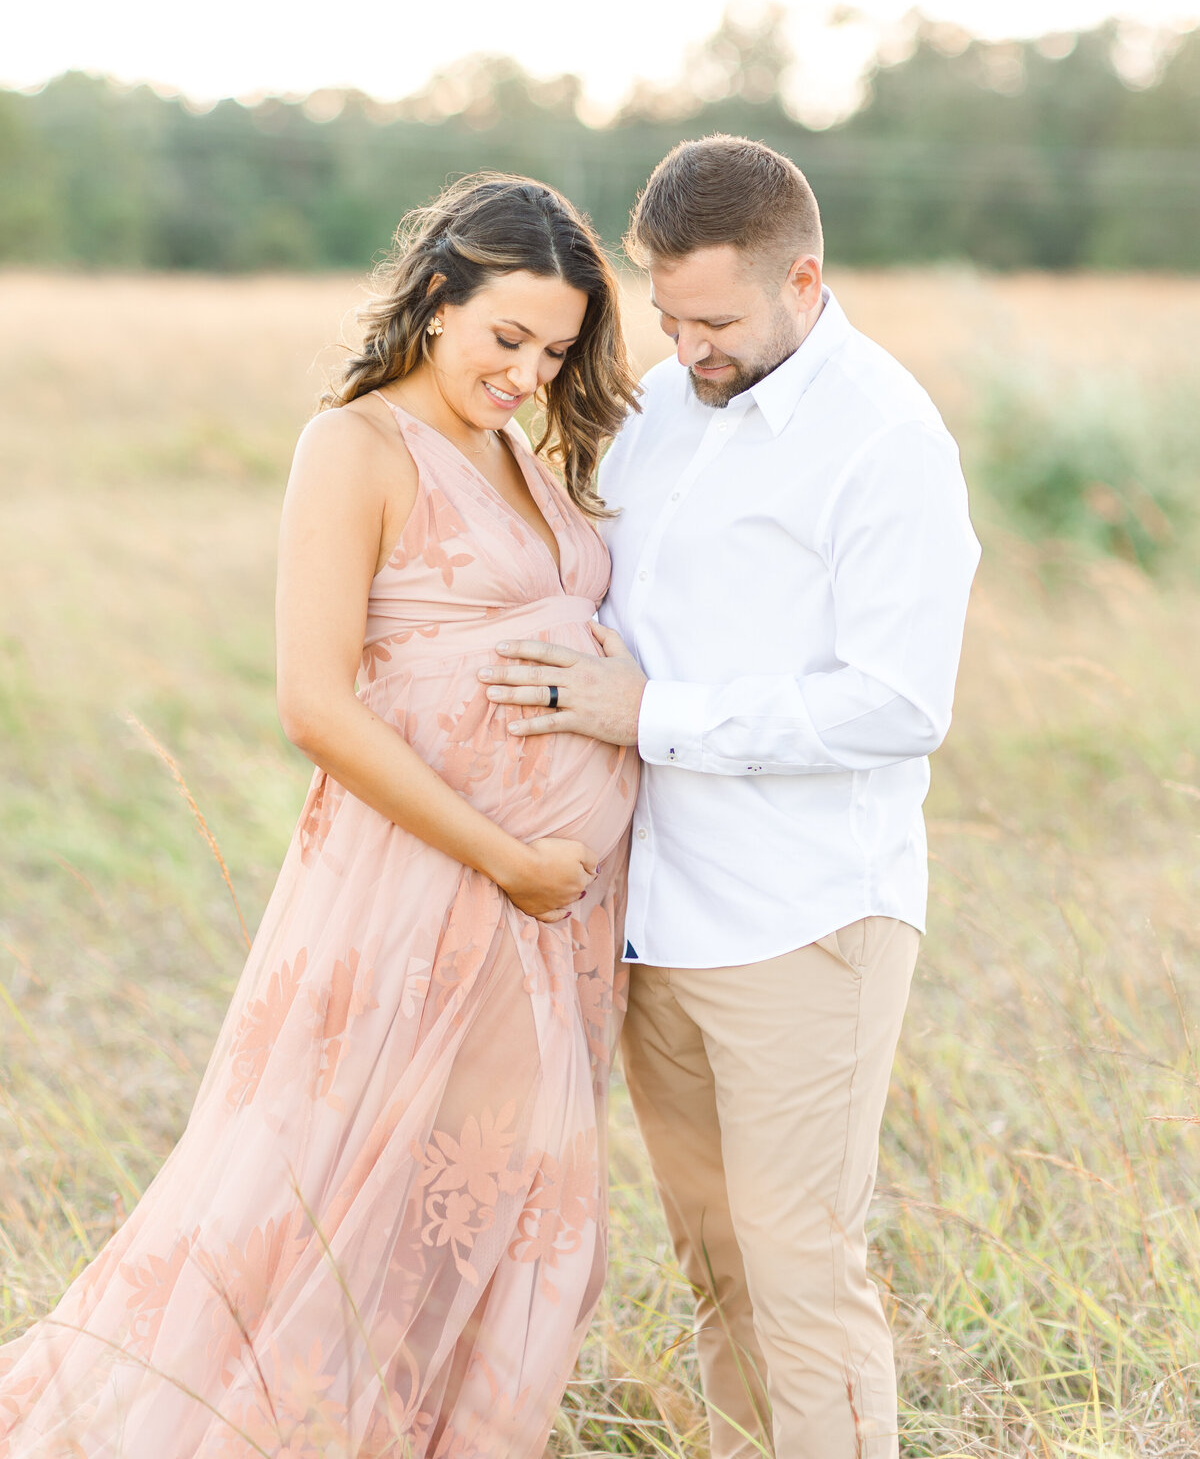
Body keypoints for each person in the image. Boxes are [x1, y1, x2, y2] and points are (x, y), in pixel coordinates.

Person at [0, 175, 641, 1459]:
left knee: (496, 1204)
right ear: (438, 297)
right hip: (440, 881)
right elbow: (315, 703)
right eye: (505, 337)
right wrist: (508, 856)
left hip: (550, 907)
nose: (526, 372)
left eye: (557, 349)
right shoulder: (353, 447)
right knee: (367, 1197)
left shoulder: (514, 448)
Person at [479, 136, 981, 1458]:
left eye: (715, 318)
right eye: (666, 309)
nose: (686, 342)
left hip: (803, 921)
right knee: (717, 1273)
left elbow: (896, 701)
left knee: (801, 1277)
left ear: (802, 279)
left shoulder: (885, 441)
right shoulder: (655, 411)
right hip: (655, 920)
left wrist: (654, 718)